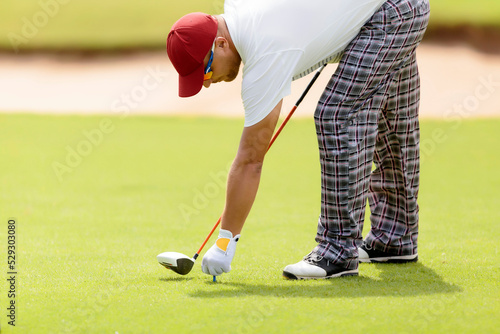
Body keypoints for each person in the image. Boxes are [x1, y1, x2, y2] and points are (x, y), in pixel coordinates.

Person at [166, 0, 430, 279]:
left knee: (336, 115)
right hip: (403, 8)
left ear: (221, 44)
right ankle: (395, 237)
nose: (206, 82)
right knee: (392, 118)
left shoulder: (263, 48)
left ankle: (337, 251)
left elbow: (250, 159)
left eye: (205, 71)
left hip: (389, 13)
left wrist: (224, 243)